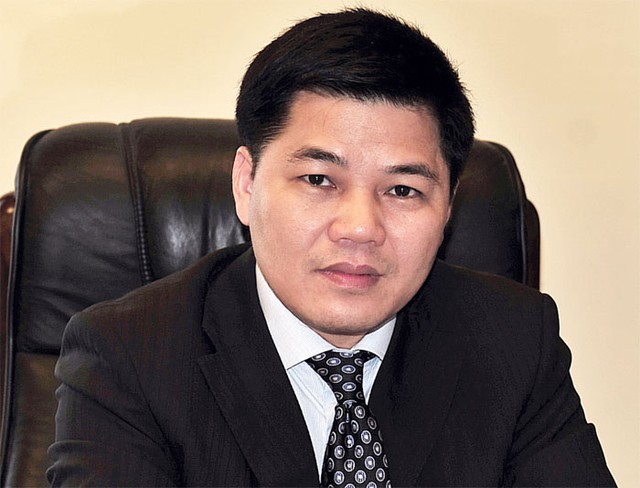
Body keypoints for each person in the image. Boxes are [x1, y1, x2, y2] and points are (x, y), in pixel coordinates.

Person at [47, 8, 615, 487]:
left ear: (448, 207)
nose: (361, 228)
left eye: (403, 190)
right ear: (246, 183)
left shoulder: (515, 341)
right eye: (319, 180)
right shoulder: (129, 357)